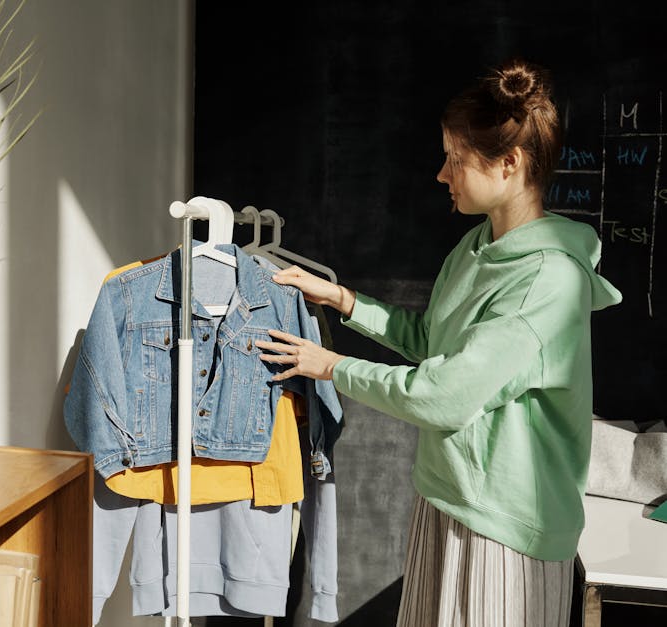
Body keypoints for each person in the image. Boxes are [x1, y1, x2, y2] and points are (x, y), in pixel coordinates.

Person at [255, 58, 622, 627]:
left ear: (509, 163)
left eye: (455, 159)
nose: (441, 174)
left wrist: (330, 366)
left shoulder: (548, 280)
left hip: (506, 527)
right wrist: (345, 302)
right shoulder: (475, 246)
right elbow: (434, 342)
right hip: (446, 499)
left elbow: (444, 395)